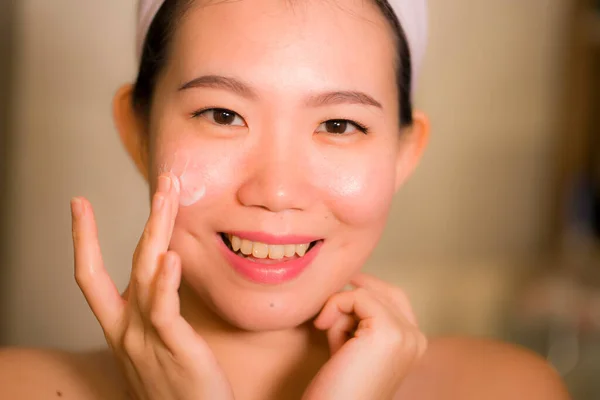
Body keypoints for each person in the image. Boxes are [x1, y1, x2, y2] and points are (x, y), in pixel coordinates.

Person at [0, 0, 571, 398]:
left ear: (404, 154)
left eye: (340, 125)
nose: (276, 192)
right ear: (137, 133)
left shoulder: (511, 389)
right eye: (223, 115)